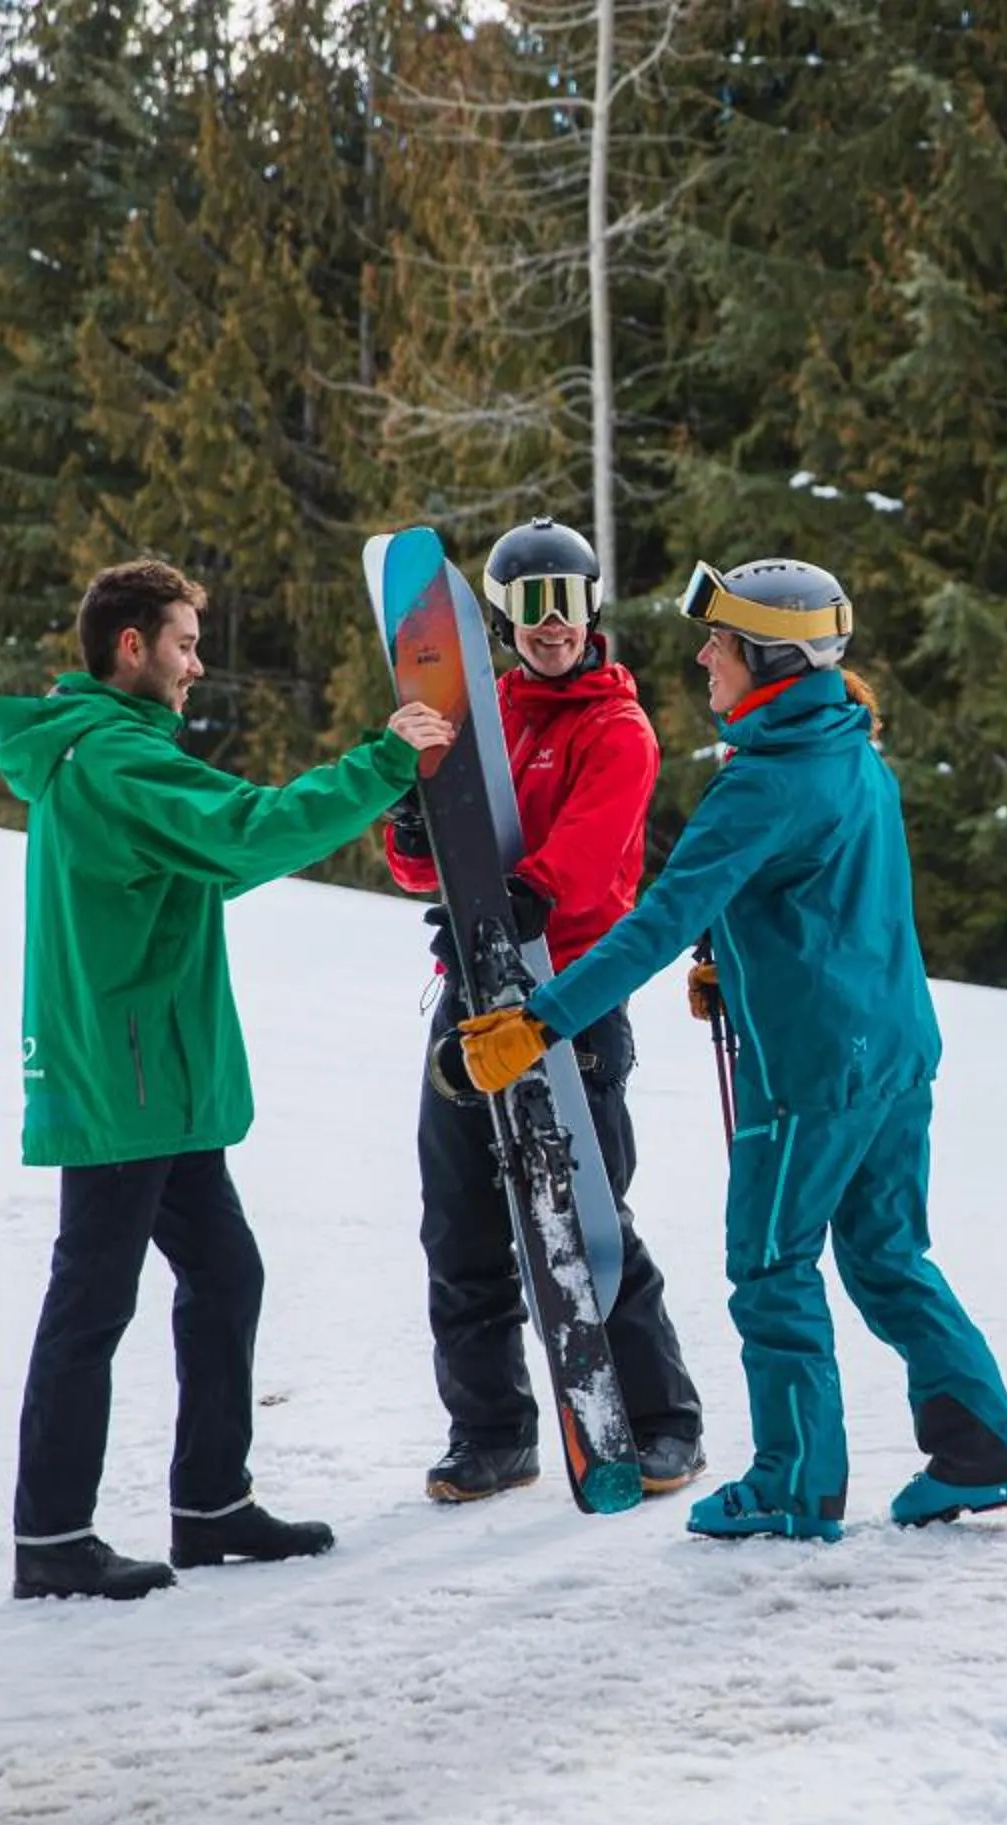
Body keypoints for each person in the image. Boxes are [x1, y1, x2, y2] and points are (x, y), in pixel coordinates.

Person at [449, 555, 1007, 1542]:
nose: (702, 657)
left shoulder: (762, 781)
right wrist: (745, 957)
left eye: (719, 642)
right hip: (890, 1045)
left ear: (768, 657)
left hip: (810, 1069)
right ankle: (981, 1446)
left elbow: (652, 921)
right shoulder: (848, 744)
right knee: (888, 1254)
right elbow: (833, 892)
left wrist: (539, 1021)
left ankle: (795, 1480)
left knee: (770, 1263)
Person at [0, 559, 454, 1601]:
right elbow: (246, 831)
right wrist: (386, 758)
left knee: (225, 1272)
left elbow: (221, 853)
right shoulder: (115, 762)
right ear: (130, 647)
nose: (199, 664)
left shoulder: (116, 751)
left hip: (156, 1077)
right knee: (91, 1302)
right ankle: (53, 1535)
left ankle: (210, 1504)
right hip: (126, 1079)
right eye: (186, 643)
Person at [380, 517, 706, 1504]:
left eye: (567, 601)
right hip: (475, 997)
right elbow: (422, 863)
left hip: (570, 1004)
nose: (551, 625)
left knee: (585, 1212)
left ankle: (662, 1423)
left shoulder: (619, 729)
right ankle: (491, 1432)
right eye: (530, 606)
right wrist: (413, 830)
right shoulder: (486, 719)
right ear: (503, 618)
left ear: (593, 607)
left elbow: (588, 860)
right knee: (461, 1219)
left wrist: (521, 894)